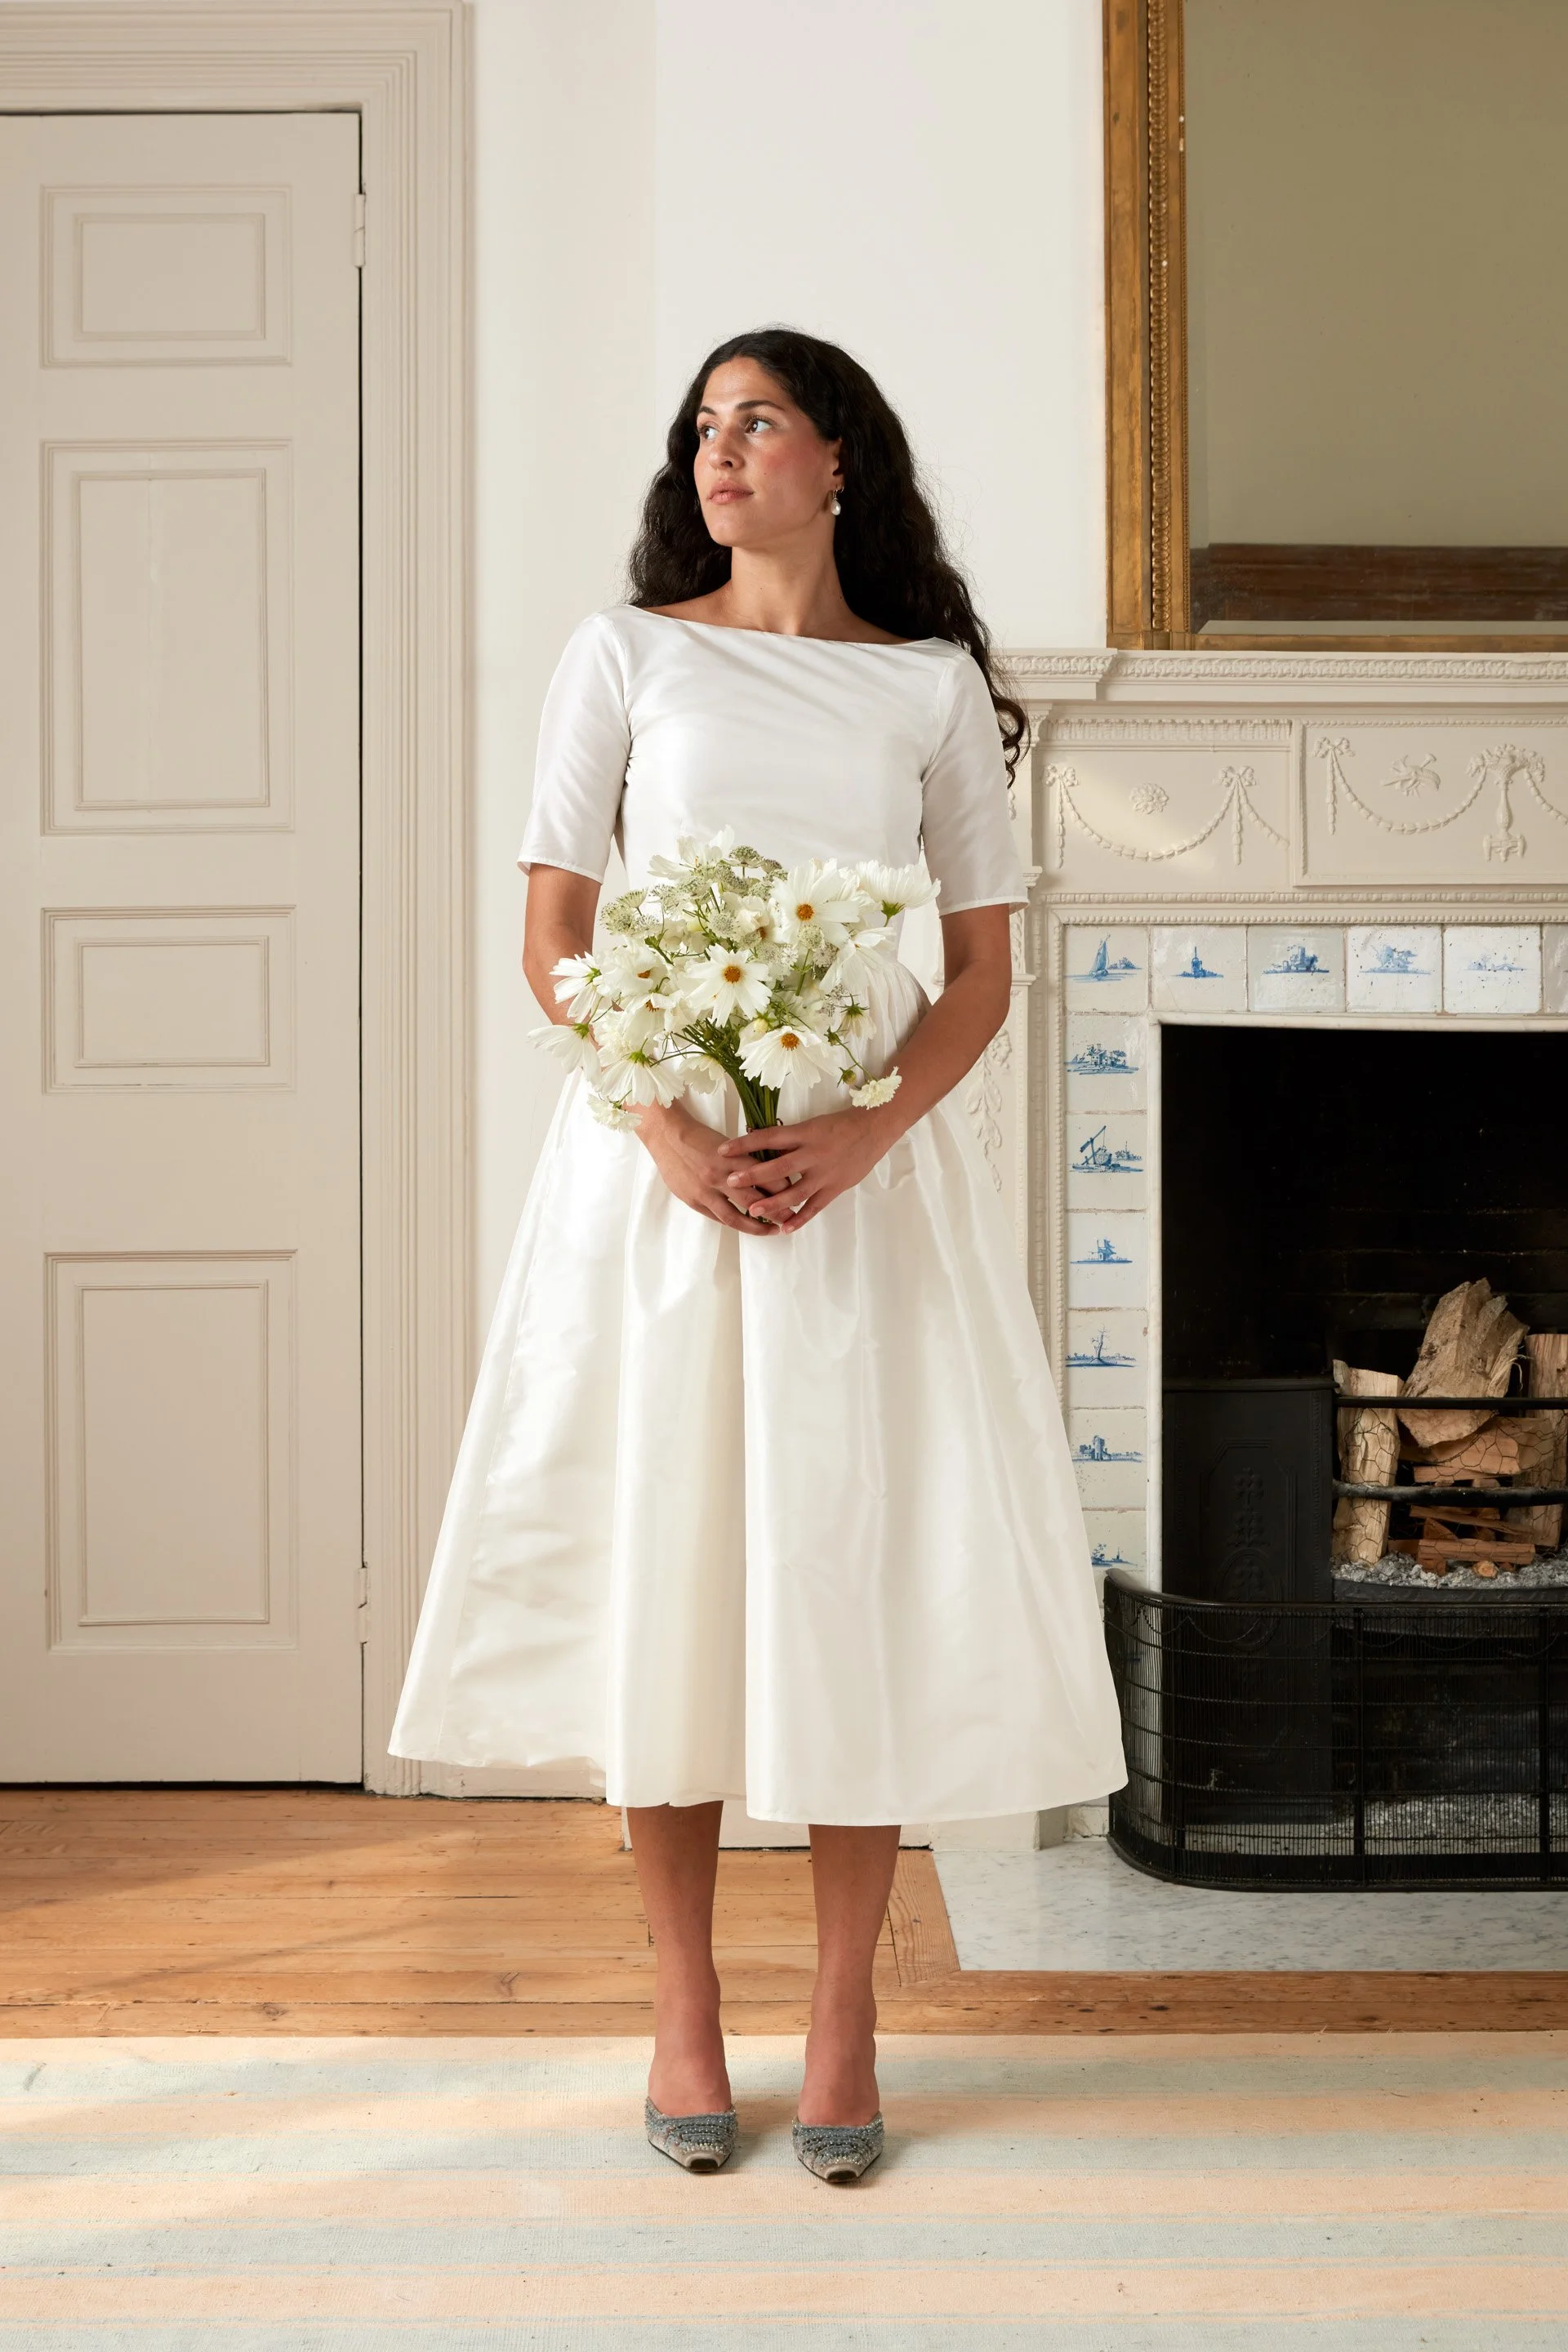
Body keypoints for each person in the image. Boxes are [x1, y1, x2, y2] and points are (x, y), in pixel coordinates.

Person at [390, 327, 1126, 2183]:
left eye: (760, 422)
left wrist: (866, 1136)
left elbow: (982, 974)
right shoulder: (625, 653)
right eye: (702, 428)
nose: (720, 453)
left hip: (862, 1186)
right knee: (676, 1563)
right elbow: (555, 933)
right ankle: (685, 2003)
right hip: (659, 1177)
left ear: (840, 459)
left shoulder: (931, 687)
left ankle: (848, 2012)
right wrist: (661, 1126)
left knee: (849, 1572)